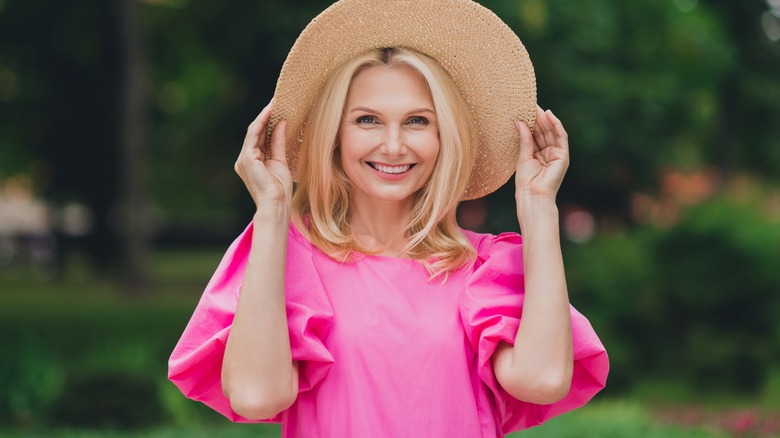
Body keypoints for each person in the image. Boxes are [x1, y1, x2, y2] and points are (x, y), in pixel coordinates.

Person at [168, 0, 609, 436]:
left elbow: (544, 380)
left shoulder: (484, 268)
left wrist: (538, 206)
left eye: (417, 120)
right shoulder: (287, 260)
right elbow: (255, 394)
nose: (394, 146)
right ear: (335, 135)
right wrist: (272, 211)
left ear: (444, 137)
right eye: (368, 120)